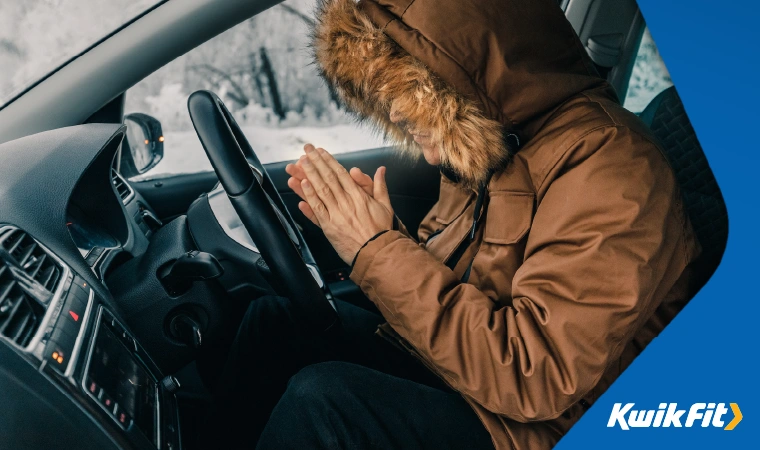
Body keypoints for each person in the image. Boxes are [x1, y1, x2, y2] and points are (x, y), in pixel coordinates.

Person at [204, 0, 700, 448]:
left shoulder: (614, 166)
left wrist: (376, 249)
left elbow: (535, 376)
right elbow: (455, 280)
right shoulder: (491, 138)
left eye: (425, 126)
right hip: (468, 377)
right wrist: (385, 236)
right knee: (275, 324)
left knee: (326, 402)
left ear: (467, 83)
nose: (427, 152)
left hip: (532, 426)